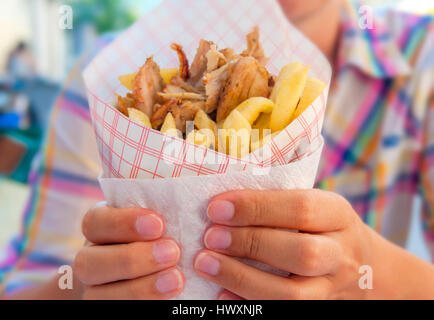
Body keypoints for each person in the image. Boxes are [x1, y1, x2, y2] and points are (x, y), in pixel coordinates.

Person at [1, 0, 433, 299]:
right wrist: (82, 289)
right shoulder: (108, 78)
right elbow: (26, 288)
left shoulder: (421, 61)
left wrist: (369, 271)